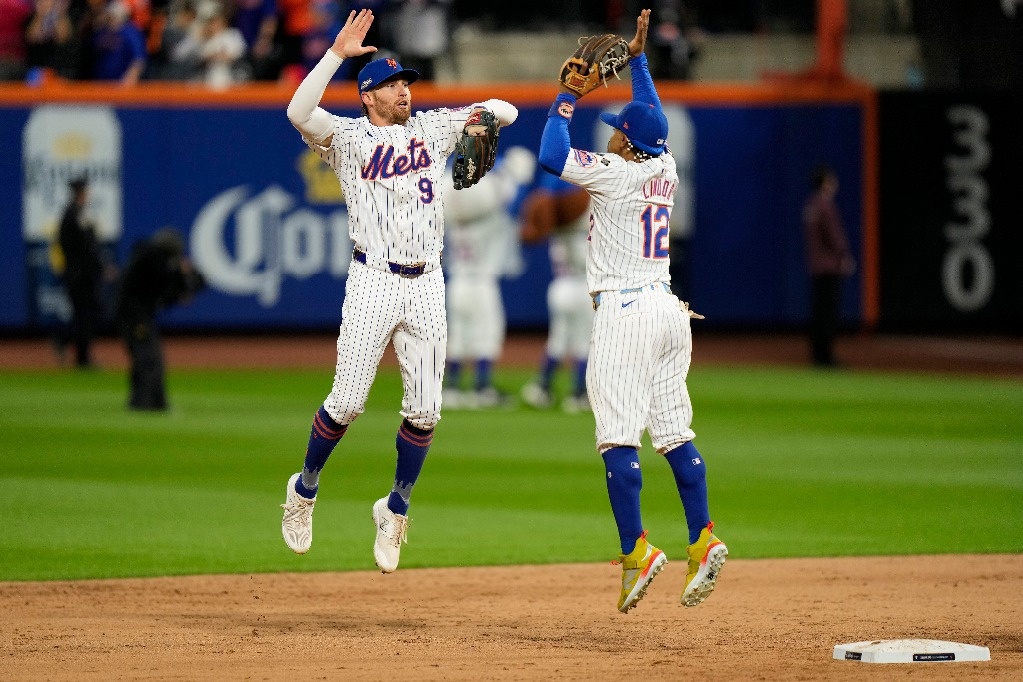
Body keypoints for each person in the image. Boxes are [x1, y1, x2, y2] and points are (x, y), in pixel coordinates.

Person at [280, 8, 518, 573]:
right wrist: (337, 54)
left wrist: (485, 121)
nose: (405, 91)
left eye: (407, 82)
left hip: (427, 282)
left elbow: (505, 109)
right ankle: (304, 490)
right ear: (368, 96)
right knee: (347, 402)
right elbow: (296, 110)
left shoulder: (433, 127)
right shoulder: (349, 139)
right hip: (373, 277)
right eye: (392, 84)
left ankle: (395, 508)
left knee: (427, 410)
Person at [538, 8, 726, 614]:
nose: (614, 130)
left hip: (625, 312)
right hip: (671, 311)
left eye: (619, 127)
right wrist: (640, 59)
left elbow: (551, 155)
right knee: (674, 431)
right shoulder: (664, 166)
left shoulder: (615, 173)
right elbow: (654, 119)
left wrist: (566, 97)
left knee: (618, 437)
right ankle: (701, 537)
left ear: (626, 141)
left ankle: (636, 552)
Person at [440, 146, 535, 410]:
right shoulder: (490, 205)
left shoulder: (454, 206)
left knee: (459, 336)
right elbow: (514, 198)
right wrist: (509, 170)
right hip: (481, 282)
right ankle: (482, 388)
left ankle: (453, 389)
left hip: (457, 281)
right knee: (487, 335)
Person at [519, 170, 593, 413]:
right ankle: (578, 394)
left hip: (560, 287)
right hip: (582, 288)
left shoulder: (557, 223)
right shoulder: (584, 218)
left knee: (558, 341)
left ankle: (542, 387)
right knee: (584, 343)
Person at [115, 227, 205, 410]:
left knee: (147, 357)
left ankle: (148, 402)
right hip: (135, 315)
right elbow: (168, 281)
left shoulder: (149, 257)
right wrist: (183, 276)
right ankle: (148, 403)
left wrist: (184, 281)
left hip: (136, 314)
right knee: (148, 357)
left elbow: (180, 286)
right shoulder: (153, 259)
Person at [802, 164, 855, 367]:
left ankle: (817, 354)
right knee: (828, 313)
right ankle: (826, 356)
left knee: (818, 312)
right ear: (826, 182)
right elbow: (835, 237)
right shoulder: (825, 205)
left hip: (815, 266)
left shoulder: (811, 204)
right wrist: (844, 257)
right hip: (829, 267)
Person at [57, 177, 105, 368]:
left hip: (80, 273)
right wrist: (98, 267)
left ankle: (79, 354)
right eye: (85, 191)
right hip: (79, 274)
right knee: (86, 314)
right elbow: (85, 247)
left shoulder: (76, 213)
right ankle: (75, 350)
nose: (87, 195)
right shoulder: (74, 214)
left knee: (87, 313)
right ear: (81, 193)